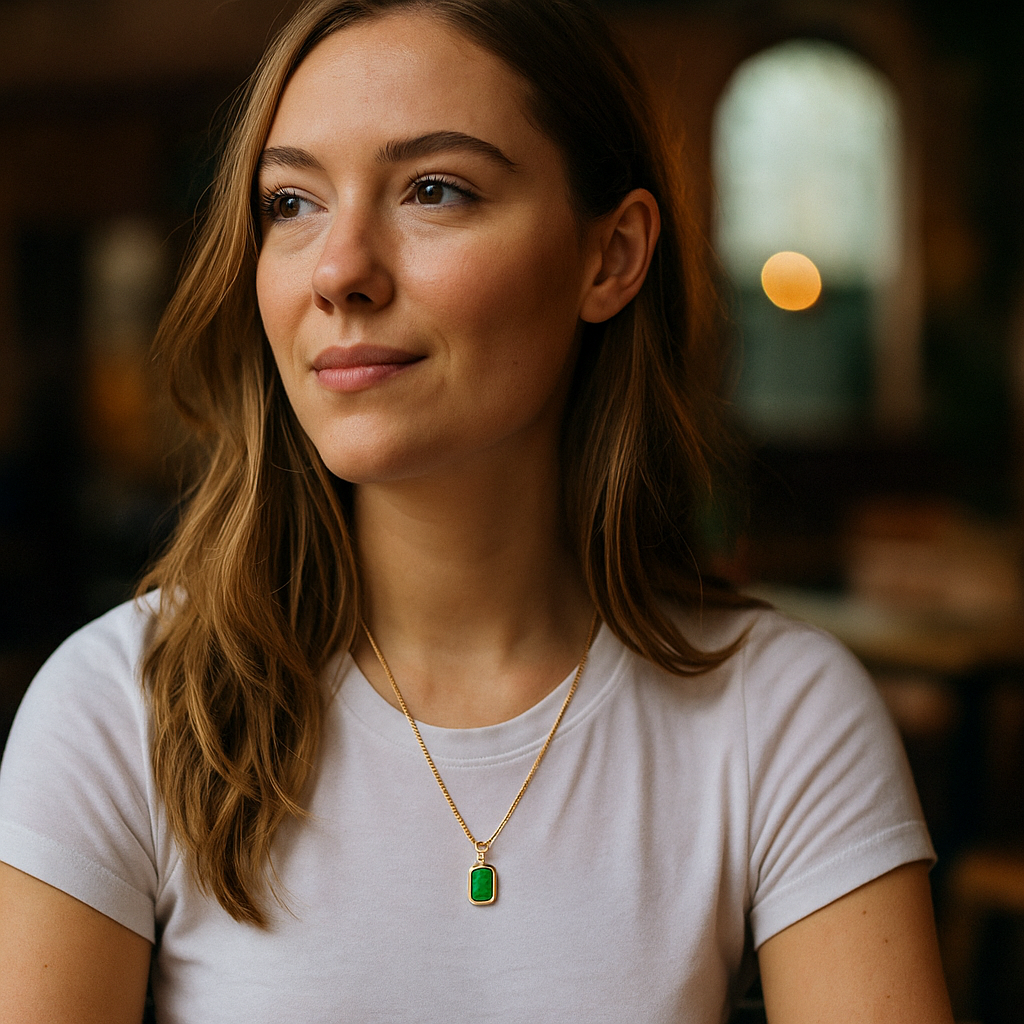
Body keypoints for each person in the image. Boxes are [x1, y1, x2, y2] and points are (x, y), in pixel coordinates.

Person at [0, 1, 954, 1021]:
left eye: (433, 190)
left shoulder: (780, 718)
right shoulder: (122, 709)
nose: (338, 270)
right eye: (290, 203)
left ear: (611, 257)